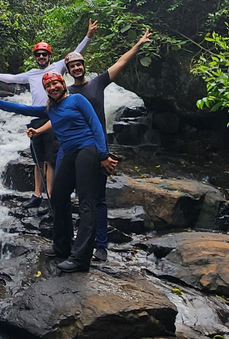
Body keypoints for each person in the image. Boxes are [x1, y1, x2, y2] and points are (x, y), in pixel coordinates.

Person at [0, 72, 118, 273]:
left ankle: (81, 258)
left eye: (55, 83)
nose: (52, 87)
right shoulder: (50, 109)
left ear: (63, 84)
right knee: (58, 197)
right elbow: (25, 109)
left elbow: (96, 125)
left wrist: (103, 154)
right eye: (48, 86)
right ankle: (62, 246)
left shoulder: (77, 99)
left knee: (87, 202)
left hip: (88, 150)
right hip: (70, 153)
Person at [40, 28, 153, 262]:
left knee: (95, 198)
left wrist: (139, 44)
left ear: (83, 66)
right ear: (68, 72)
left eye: (79, 65)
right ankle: (68, 243)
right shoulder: (65, 93)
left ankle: (100, 246)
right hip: (71, 149)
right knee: (64, 195)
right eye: (72, 67)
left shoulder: (97, 84)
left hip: (95, 148)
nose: (76, 69)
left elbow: (121, 62)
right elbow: (56, 118)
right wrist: (38, 130)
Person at [0, 20, 99, 214]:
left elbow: (75, 53)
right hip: (36, 116)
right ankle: (37, 194)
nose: (42, 57)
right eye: (38, 54)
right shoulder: (31, 74)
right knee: (38, 159)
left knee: (51, 159)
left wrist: (88, 36)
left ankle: (50, 196)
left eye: (44, 54)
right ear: (35, 57)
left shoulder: (58, 67)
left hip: (53, 114)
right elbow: (13, 78)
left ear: (49, 56)